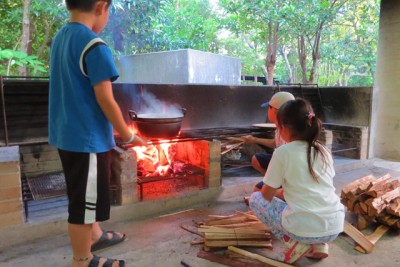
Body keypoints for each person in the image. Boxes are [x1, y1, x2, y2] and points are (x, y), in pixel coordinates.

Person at [48, 1, 147, 266]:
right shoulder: (95, 46)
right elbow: (106, 100)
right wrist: (128, 135)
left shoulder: (61, 37)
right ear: (102, 6)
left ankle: (95, 235)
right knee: (83, 203)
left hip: (65, 133)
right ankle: (82, 259)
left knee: (82, 193)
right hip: (86, 140)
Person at [249, 98, 345, 264]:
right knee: (300, 206)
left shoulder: (282, 152)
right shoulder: (323, 150)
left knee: (255, 199)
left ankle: (294, 242)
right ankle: (320, 245)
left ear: (284, 128)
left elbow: (266, 194)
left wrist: (281, 193)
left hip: (303, 229)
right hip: (334, 226)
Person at [242, 91, 294, 196]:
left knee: (258, 192)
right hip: (287, 167)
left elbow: (282, 153)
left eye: (269, 107)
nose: (267, 111)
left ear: (275, 110)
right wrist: (254, 140)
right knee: (256, 159)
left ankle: (279, 184)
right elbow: (276, 143)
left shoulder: (285, 130)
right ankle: (276, 182)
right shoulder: (283, 126)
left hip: (289, 171)